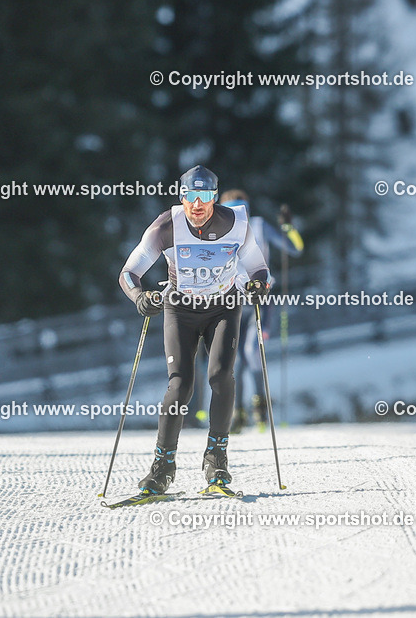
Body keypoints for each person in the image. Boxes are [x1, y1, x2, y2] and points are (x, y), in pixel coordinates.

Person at [118, 165, 270, 494]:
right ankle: (162, 466)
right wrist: (139, 297)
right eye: (189, 196)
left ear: (215, 199)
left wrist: (259, 284)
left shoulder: (236, 223)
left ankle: (217, 458)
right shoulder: (165, 226)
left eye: (204, 197)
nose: (196, 205)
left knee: (220, 376)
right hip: (180, 308)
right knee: (180, 385)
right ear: (181, 197)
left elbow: (258, 266)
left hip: (224, 306)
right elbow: (130, 272)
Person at [219, 190, 303, 431]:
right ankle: (238, 414)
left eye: (242, 211)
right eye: (233, 212)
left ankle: (260, 410)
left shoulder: (258, 225)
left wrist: (288, 228)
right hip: (232, 304)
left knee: (251, 353)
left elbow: (295, 249)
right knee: (233, 361)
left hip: (260, 302)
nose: (239, 217)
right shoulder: (216, 231)